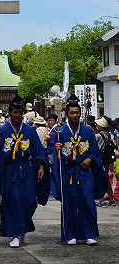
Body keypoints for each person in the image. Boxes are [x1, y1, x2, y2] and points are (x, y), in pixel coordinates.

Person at [0, 95, 50, 248]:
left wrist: (40, 165)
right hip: (9, 170)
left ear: (23, 113)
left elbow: (38, 149)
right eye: (14, 112)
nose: (17, 115)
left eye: (20, 112)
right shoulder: (1, 130)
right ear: (9, 113)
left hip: (26, 169)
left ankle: (22, 229)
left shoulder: (29, 130)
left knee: (29, 201)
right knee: (12, 201)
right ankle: (15, 234)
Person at [48, 95, 108, 246]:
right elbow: (50, 148)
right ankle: (71, 234)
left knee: (88, 201)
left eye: (77, 112)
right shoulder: (61, 132)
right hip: (69, 171)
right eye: (71, 113)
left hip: (85, 171)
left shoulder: (88, 132)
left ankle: (89, 233)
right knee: (71, 202)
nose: (75, 115)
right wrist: (56, 148)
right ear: (66, 114)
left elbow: (95, 151)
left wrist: (90, 159)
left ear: (80, 114)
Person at [94, 116, 116, 207]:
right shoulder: (108, 135)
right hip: (106, 160)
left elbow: (94, 147)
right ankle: (111, 198)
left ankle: (102, 200)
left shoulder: (98, 136)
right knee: (105, 179)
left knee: (99, 179)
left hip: (99, 160)